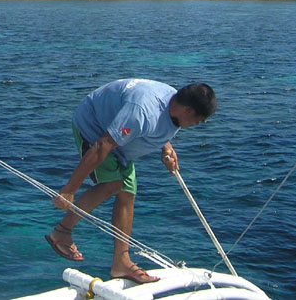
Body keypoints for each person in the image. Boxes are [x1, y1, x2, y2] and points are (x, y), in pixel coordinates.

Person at [46, 79, 216, 284]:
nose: (198, 125)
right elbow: (103, 145)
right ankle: (61, 233)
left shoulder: (174, 101)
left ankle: (120, 263)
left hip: (119, 133)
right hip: (94, 126)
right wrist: (69, 190)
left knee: (128, 193)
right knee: (112, 185)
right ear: (188, 111)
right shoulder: (142, 112)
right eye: (200, 120)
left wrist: (166, 147)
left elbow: (160, 122)